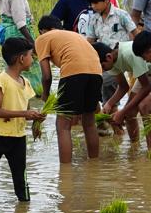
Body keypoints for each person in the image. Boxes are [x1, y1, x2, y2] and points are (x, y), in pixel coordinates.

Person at [0, 37, 45, 202]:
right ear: (21, 59)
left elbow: (27, 111)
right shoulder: (2, 80)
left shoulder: (26, 82)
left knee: (21, 184)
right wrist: (25, 114)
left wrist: (36, 119)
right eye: (31, 55)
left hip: (18, 138)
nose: (33, 59)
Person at [35, 15, 104, 163]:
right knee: (89, 122)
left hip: (74, 72)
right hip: (97, 71)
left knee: (63, 126)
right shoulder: (73, 35)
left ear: (43, 31)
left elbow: (46, 76)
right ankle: (94, 164)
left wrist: (45, 95)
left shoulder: (43, 38)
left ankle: (65, 172)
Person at [95, 40, 151, 148]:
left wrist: (122, 112)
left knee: (144, 106)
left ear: (108, 57)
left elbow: (147, 87)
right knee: (130, 113)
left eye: (102, 66)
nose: (103, 70)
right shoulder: (111, 62)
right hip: (146, 73)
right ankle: (135, 148)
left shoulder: (128, 54)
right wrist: (109, 104)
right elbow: (123, 87)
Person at [83, 0, 141, 103]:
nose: (93, 6)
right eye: (91, 3)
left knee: (104, 83)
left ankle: (110, 111)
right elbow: (89, 42)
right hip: (105, 61)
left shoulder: (121, 15)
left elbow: (136, 35)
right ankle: (110, 114)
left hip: (121, 59)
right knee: (106, 91)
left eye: (95, 3)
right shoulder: (94, 20)